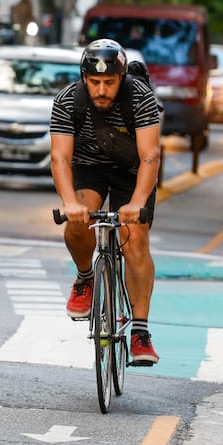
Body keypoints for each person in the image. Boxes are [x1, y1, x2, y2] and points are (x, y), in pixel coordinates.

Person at [48, 38, 164, 365]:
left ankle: (140, 332)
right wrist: (71, 202)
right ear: (84, 78)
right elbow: (59, 158)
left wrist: (137, 203)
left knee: (136, 238)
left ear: (122, 78)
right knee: (76, 223)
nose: (101, 90)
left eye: (109, 83)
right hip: (88, 167)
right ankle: (85, 277)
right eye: (95, 82)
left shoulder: (140, 98)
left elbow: (151, 157)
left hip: (133, 169)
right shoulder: (67, 101)